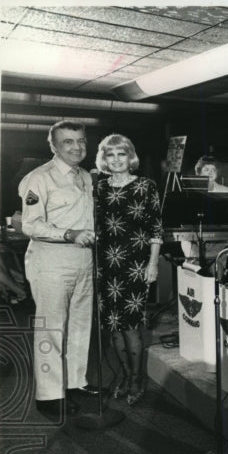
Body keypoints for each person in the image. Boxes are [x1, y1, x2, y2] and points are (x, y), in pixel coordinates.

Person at [19, 120, 98, 417]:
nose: (77, 147)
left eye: (81, 141)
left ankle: (75, 381)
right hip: (51, 262)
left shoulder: (87, 178)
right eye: (68, 142)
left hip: (83, 260)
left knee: (80, 325)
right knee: (52, 328)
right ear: (53, 146)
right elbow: (30, 224)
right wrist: (69, 233)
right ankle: (49, 396)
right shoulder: (39, 178)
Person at [92, 134, 163, 406]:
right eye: (111, 155)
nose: (117, 160)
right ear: (104, 159)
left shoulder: (146, 186)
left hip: (134, 265)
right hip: (105, 266)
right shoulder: (99, 188)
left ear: (130, 157)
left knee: (131, 326)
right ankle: (123, 373)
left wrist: (153, 263)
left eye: (122, 154)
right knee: (113, 327)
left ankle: (136, 378)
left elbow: (156, 228)